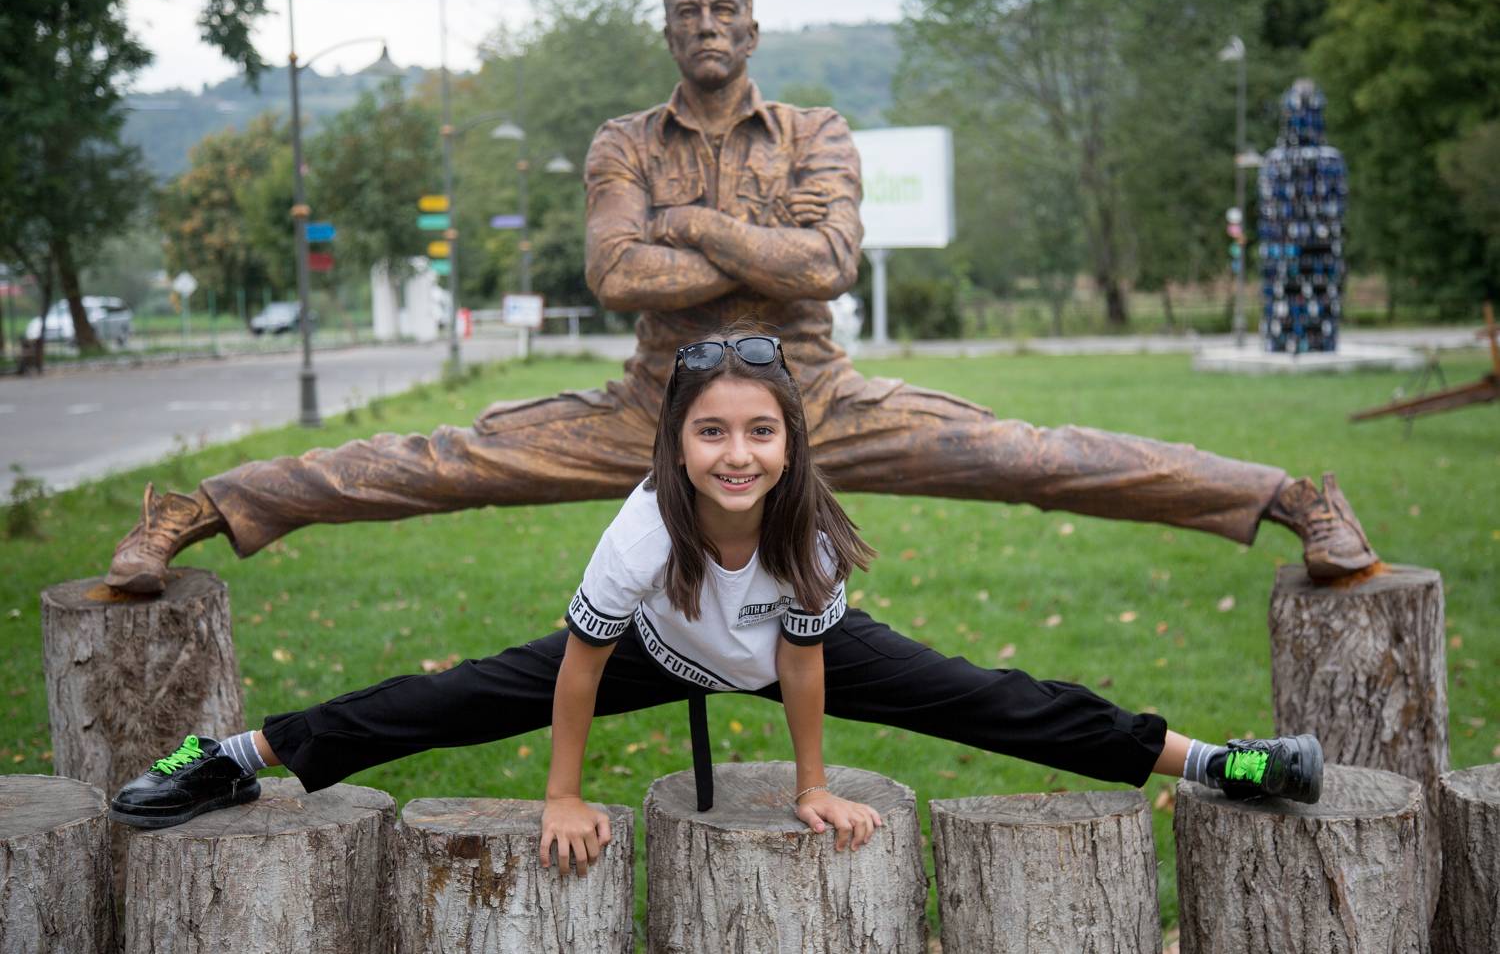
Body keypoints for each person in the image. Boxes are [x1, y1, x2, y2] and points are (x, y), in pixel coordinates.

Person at [105, 0, 1375, 600]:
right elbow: (616, 271)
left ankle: (1290, 498)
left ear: (752, 29)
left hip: (814, 398)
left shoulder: (818, 131)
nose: (707, 28)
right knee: (446, 461)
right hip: (657, 404)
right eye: (688, 13)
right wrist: (738, 248)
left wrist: (699, 231)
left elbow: (828, 262)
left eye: (725, 13)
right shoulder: (622, 141)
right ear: (668, 31)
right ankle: (196, 508)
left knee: (1035, 455)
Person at [109, 328, 1324, 875]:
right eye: (711, 434)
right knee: (450, 699)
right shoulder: (644, 528)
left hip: (794, 645)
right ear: (676, 446)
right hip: (658, 647)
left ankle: (1218, 762)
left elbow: (802, 659)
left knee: (1000, 700)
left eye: (759, 433)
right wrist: (563, 794)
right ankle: (232, 756)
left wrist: (810, 783)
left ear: (789, 443)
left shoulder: (807, 533)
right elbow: (579, 668)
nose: (737, 455)